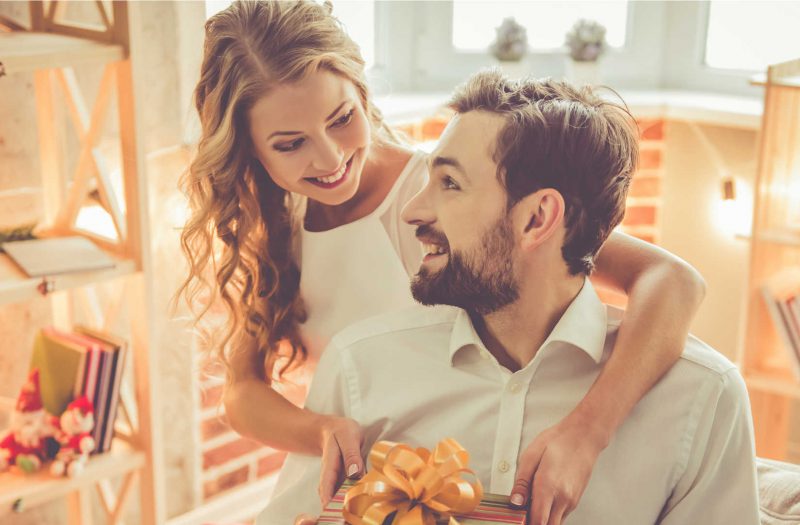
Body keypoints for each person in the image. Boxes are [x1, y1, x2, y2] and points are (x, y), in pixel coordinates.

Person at [179, 0, 706, 517]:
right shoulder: (275, 222)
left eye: (342, 119)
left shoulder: (448, 199)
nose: (330, 158)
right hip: (375, 486)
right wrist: (321, 430)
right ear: (251, 150)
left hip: (465, 473)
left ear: (362, 93)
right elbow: (241, 392)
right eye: (290, 144)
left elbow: (672, 279)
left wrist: (588, 430)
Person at [259, 70, 759, 525]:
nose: (412, 211)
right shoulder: (359, 369)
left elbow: (674, 278)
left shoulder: (702, 400)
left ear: (537, 219)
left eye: (450, 184)